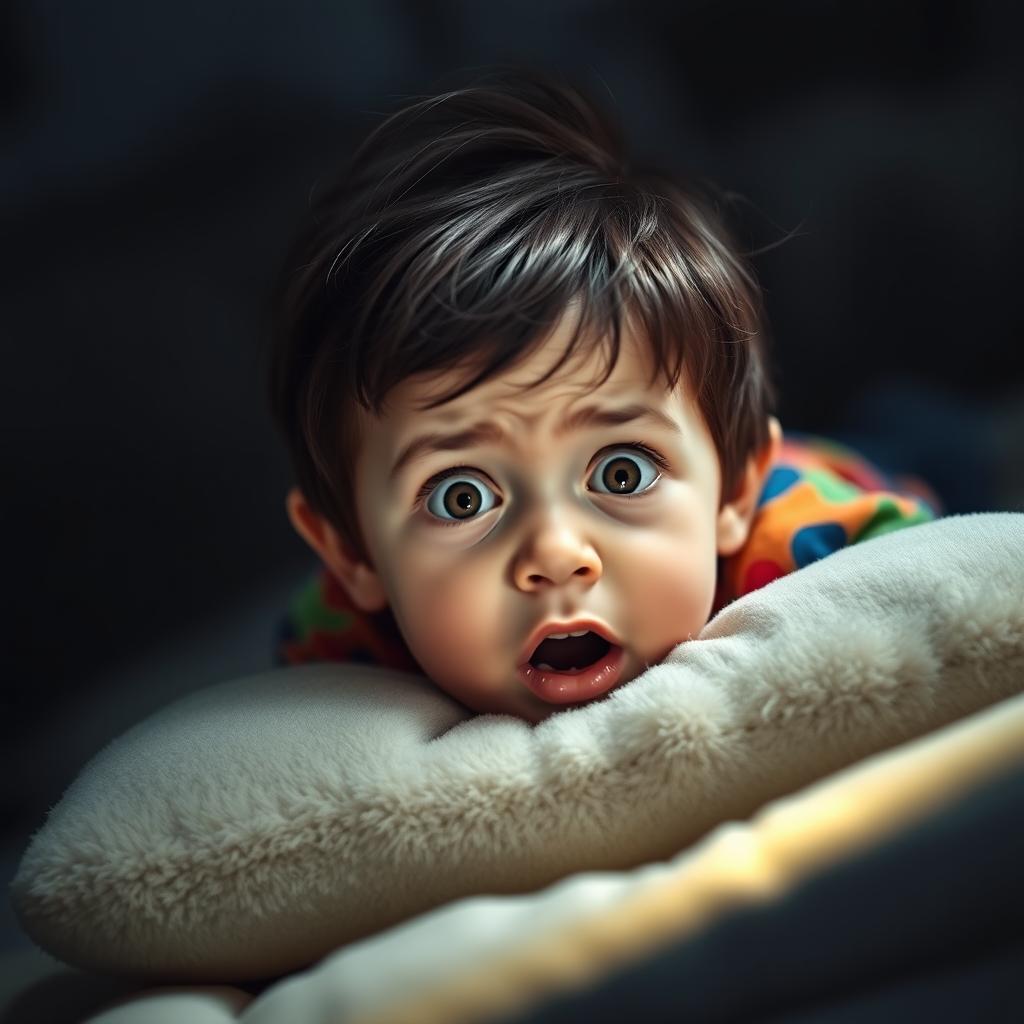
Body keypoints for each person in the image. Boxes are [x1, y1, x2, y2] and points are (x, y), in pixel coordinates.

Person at [267, 68, 936, 723]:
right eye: (460, 496)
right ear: (352, 553)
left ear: (733, 490)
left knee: (927, 440)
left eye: (623, 471)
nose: (556, 554)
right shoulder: (334, 648)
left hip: (846, 468)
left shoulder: (819, 550)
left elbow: (941, 583)